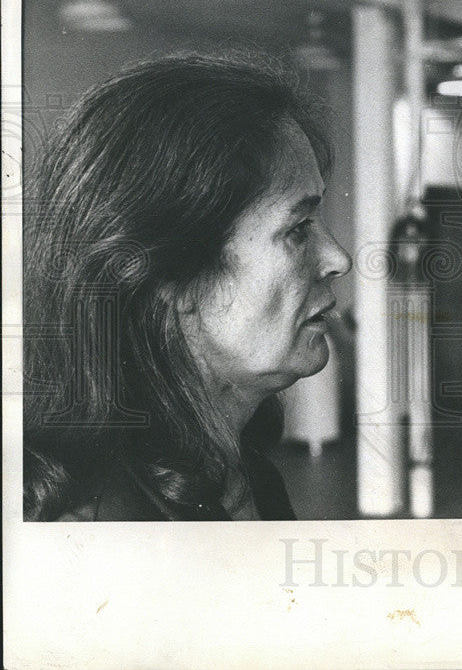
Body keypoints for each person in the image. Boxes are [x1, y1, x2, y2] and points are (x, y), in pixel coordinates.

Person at [23, 53, 352, 521]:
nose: (339, 258)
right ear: (170, 272)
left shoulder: (249, 479)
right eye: (298, 228)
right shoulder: (94, 532)